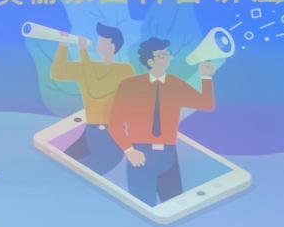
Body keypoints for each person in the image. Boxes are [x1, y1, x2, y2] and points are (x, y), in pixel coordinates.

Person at [108, 37, 216, 205]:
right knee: (142, 206)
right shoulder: (130, 85)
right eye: (161, 55)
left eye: (168, 54)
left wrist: (206, 78)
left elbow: (206, 104)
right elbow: (115, 123)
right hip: (140, 153)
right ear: (150, 61)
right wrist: (129, 150)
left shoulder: (175, 84)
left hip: (168, 154)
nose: (167, 57)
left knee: (175, 204)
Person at [49, 23, 135, 174]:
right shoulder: (87, 66)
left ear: (112, 46)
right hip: (91, 131)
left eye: (103, 40)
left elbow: (96, 88)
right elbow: (58, 73)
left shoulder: (124, 71)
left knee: (80, 173)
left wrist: (83, 51)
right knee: (60, 166)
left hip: (110, 136)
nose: (98, 43)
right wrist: (63, 47)